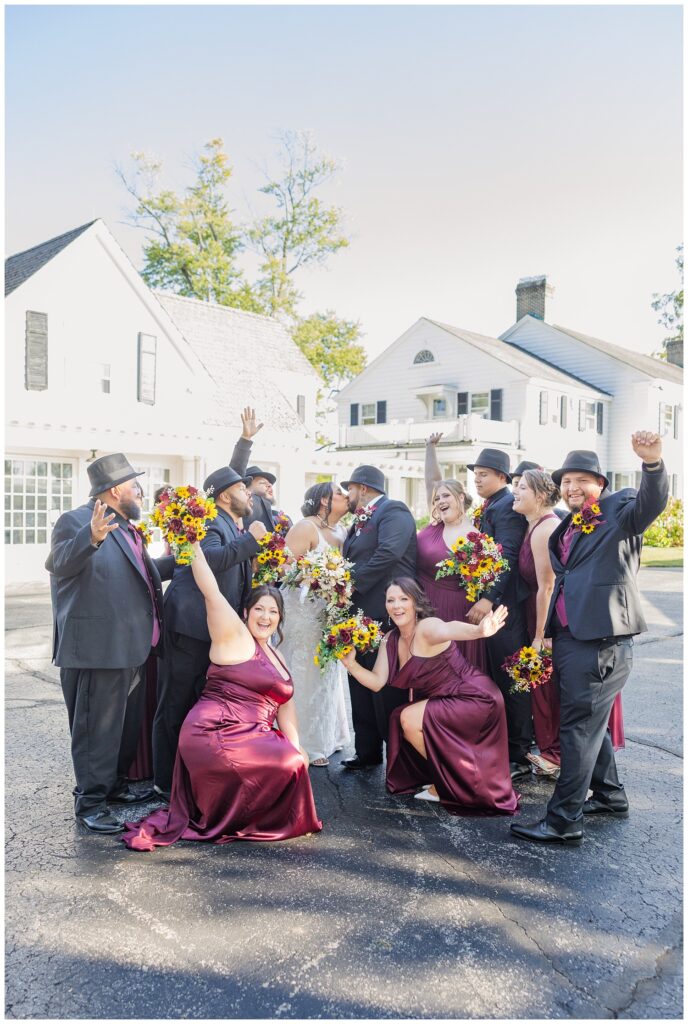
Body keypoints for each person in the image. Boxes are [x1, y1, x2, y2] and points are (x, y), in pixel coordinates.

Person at [511, 433, 669, 845]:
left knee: (577, 730)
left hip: (601, 641)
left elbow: (651, 505)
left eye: (582, 479)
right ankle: (610, 795)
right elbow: (564, 578)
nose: (572, 487)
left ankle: (564, 821)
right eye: (566, 480)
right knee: (585, 724)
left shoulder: (619, 509)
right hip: (570, 639)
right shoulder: (568, 521)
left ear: (600, 483)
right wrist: (547, 634)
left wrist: (652, 464)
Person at [122, 544, 321, 849]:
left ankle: (255, 816)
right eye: (259, 609)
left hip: (250, 733)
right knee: (288, 763)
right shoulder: (234, 636)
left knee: (294, 758)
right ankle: (239, 816)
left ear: (280, 618)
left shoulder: (276, 653)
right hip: (215, 733)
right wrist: (192, 543)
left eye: (273, 612)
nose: (265, 617)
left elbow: (285, 706)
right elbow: (211, 591)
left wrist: (298, 745)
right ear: (245, 612)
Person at [45, 453, 175, 835]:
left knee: (122, 727)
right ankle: (90, 802)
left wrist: (183, 558)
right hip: (97, 650)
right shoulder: (77, 521)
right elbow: (59, 562)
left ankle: (114, 786)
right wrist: (91, 537)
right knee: (95, 730)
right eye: (135, 486)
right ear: (116, 489)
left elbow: (141, 574)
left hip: (131, 649)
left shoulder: (127, 528)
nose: (140, 493)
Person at [342, 578, 518, 814]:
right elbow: (376, 683)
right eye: (391, 600)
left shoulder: (427, 627)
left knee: (408, 717)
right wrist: (351, 665)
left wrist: (478, 631)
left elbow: (449, 628)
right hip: (448, 699)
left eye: (404, 599)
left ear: (416, 603)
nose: (397, 605)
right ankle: (451, 779)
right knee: (400, 717)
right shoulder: (390, 640)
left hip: (475, 697)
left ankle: (451, 782)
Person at [151, 466, 266, 801]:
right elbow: (212, 560)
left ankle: (189, 772)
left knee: (198, 703)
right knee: (175, 701)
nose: (249, 493)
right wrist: (251, 540)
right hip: (189, 627)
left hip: (211, 631)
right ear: (224, 495)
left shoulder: (229, 522)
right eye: (242, 489)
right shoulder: (211, 520)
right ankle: (163, 780)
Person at [340, 466, 417, 770]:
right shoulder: (359, 521)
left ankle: (398, 757)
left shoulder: (393, 510)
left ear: (362, 487)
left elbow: (389, 553)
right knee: (358, 678)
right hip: (358, 612)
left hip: (386, 610)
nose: (347, 495)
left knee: (385, 686)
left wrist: (351, 584)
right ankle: (367, 751)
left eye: (350, 489)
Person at [465, 449, 531, 780]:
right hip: (494, 604)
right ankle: (505, 745)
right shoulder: (491, 505)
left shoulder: (506, 507)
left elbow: (507, 555)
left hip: (506, 607)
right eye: (475, 473)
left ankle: (520, 754)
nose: (477, 479)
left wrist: (488, 599)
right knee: (495, 676)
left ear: (503, 478)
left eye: (484, 474)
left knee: (511, 677)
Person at [279, 482, 351, 766]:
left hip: (328, 611)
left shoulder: (342, 532)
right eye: (340, 493)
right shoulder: (305, 528)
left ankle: (324, 737)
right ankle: (300, 740)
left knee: (326, 670)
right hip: (301, 609)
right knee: (303, 669)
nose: (347, 497)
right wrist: (312, 575)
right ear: (324, 500)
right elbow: (280, 565)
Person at [418, 433, 488, 670]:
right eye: (437, 498)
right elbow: (432, 481)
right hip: (423, 603)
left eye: (446, 496)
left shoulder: (474, 537)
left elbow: (481, 582)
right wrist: (430, 447)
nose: (439, 501)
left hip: (452, 609)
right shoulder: (435, 523)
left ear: (460, 497)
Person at [512, 469, 563, 777]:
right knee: (540, 686)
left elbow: (548, 585)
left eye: (521, 488)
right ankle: (549, 751)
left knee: (548, 685)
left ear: (541, 496)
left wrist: (541, 635)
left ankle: (555, 755)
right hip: (534, 611)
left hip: (547, 616)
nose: (514, 492)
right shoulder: (531, 525)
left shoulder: (546, 528)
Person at [244, 465, 294, 533]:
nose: (270, 485)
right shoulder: (242, 517)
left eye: (269, 483)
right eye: (262, 483)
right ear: (246, 490)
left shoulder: (282, 518)